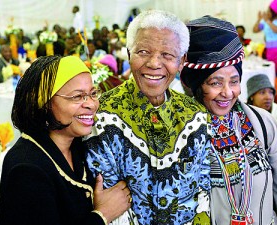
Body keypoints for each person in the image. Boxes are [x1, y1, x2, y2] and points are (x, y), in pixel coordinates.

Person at [84, 9, 211, 225]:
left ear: (181, 62)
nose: (154, 63)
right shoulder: (102, 117)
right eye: (143, 51)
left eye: (167, 55)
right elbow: (110, 203)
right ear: (128, 53)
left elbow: (203, 192)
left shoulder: (195, 116)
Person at [180, 15, 277, 225]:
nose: (227, 92)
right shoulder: (182, 134)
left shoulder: (263, 124)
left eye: (234, 81)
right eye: (215, 83)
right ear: (197, 86)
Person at [0, 55, 131, 225]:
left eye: (93, 93)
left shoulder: (81, 144)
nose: (91, 104)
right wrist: (102, 215)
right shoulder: (26, 167)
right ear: (45, 103)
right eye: (77, 96)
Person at [246, 74, 277, 150]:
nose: (268, 97)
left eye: (271, 92)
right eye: (262, 92)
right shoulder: (244, 112)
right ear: (252, 96)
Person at [253, 0, 277, 75]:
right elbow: (255, 30)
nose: (267, 13)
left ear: (274, 13)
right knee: (272, 71)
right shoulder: (266, 22)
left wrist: (267, 21)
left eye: (268, 11)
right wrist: (259, 19)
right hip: (270, 51)